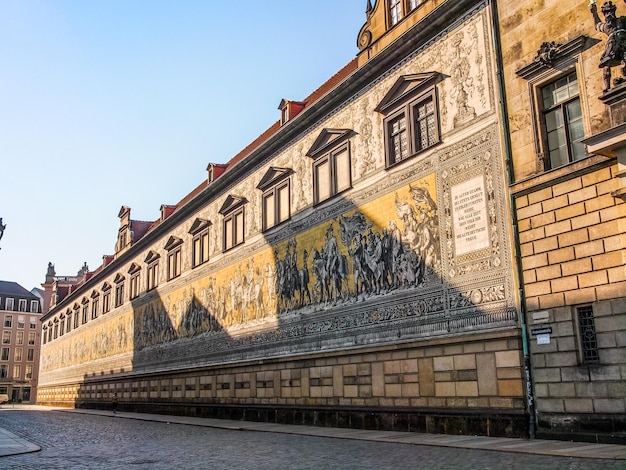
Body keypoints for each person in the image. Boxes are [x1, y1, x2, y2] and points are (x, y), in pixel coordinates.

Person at [591, 1, 626, 91]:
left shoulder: (621, 20)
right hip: (612, 46)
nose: (609, 15)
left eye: (610, 12)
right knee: (606, 64)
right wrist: (594, 13)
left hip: (623, 43)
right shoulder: (607, 26)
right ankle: (607, 87)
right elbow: (597, 25)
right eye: (606, 13)